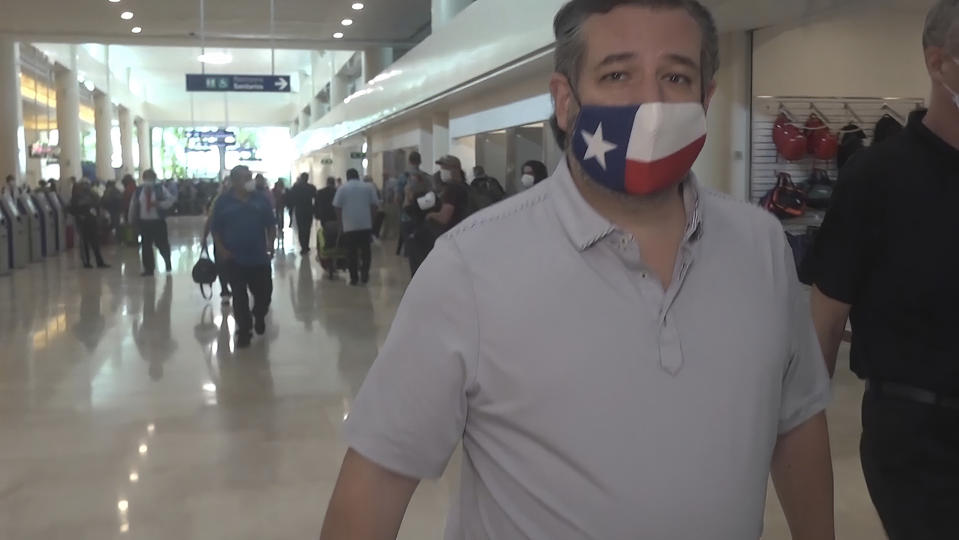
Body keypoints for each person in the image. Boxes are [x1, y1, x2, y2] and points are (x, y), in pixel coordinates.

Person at [320, 2, 834, 539]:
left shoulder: (762, 246)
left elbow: (796, 418)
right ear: (566, 102)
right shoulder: (469, 268)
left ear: (705, 99)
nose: (650, 103)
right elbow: (372, 488)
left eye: (676, 76)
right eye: (617, 74)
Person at [801, 2, 959, 537]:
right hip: (918, 439)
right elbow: (825, 317)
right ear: (939, 63)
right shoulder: (877, 177)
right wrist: (802, 439)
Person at [210, 166, 277, 348]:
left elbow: (271, 225)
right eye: (246, 177)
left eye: (250, 177)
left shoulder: (260, 200)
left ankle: (260, 314)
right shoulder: (223, 202)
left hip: (259, 257)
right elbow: (215, 228)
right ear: (234, 181)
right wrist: (222, 250)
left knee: (264, 294)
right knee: (239, 297)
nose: (250, 180)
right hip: (235, 259)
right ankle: (244, 331)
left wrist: (270, 244)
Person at [405, 155, 470, 275]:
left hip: (449, 235)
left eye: (444, 168)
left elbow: (444, 218)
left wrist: (430, 215)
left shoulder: (452, 189)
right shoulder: (465, 187)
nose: (442, 171)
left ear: (455, 169)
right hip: (462, 234)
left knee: (414, 242)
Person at [333, 168, 380, 286]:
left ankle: (354, 277)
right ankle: (364, 274)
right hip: (365, 224)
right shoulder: (368, 187)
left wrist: (341, 223)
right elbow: (375, 205)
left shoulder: (342, 189)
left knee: (351, 252)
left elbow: (337, 207)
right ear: (358, 175)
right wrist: (372, 220)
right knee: (366, 251)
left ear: (347, 176)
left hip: (349, 226)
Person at [128, 169, 175, 277]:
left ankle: (167, 260)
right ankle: (149, 269)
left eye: (151, 178)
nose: (148, 180)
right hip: (144, 222)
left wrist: (159, 204)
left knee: (161, 243)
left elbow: (170, 201)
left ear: (154, 179)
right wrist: (131, 219)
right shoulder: (139, 191)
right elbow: (133, 205)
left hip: (158, 221)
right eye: (146, 178)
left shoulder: (160, 189)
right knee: (146, 246)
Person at [202, 180, 233, 305]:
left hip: (232, 239)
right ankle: (225, 290)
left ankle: (227, 290)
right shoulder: (219, 200)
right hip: (222, 238)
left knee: (225, 266)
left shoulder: (219, 200)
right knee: (223, 266)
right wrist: (204, 236)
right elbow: (210, 219)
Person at [396, 151, 432, 256]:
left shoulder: (403, 177)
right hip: (422, 213)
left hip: (406, 214)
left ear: (409, 161)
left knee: (409, 241)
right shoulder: (425, 177)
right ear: (420, 161)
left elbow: (398, 197)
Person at [69, 178, 109, 269]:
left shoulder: (91, 195)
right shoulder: (77, 197)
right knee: (85, 243)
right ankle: (87, 262)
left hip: (91, 221)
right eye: (84, 184)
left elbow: (98, 205)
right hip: (83, 222)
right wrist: (79, 215)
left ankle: (98, 262)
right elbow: (72, 209)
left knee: (94, 243)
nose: (85, 186)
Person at [287, 172, 318, 254]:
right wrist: (315, 209)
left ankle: (303, 246)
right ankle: (306, 246)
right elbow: (316, 198)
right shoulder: (311, 187)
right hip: (308, 209)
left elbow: (291, 198)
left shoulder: (296, 187)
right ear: (307, 178)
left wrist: (291, 208)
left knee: (301, 228)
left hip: (299, 209)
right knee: (307, 228)